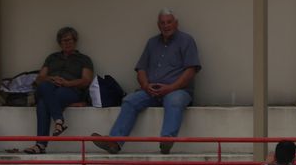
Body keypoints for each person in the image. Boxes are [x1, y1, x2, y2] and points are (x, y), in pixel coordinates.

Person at [92, 8, 200, 155]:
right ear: (158, 25)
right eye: (162, 23)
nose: (166, 26)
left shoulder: (186, 40)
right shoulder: (152, 43)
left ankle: (166, 141)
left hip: (177, 90)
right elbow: (141, 69)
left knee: (174, 100)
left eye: (169, 22)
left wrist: (170, 88)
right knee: (130, 100)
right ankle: (114, 142)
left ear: (176, 23)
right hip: (152, 90)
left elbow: (191, 70)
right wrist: (145, 86)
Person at [24, 27, 94, 155]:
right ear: (59, 43)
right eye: (63, 41)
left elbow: (86, 80)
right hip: (49, 87)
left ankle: (40, 145)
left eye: (69, 40)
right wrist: (51, 78)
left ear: (75, 41)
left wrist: (67, 83)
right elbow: (40, 78)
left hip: (69, 90)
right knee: (45, 86)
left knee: (43, 103)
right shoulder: (52, 58)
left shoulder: (84, 59)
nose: (66, 43)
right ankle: (59, 121)